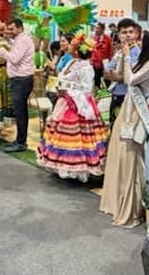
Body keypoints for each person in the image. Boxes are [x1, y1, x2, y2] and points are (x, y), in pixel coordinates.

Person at [99, 32, 149, 227]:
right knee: (118, 154)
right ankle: (117, 203)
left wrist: (127, 56)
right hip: (127, 108)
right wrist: (120, 55)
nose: (134, 42)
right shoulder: (143, 60)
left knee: (130, 159)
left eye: (139, 40)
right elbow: (119, 74)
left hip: (135, 112)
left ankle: (131, 209)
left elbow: (129, 80)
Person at [36, 36, 108, 182]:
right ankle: (62, 167)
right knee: (60, 135)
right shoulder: (73, 62)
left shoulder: (86, 67)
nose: (67, 46)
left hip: (77, 105)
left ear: (77, 49)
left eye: (71, 44)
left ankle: (76, 169)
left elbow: (87, 89)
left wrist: (68, 92)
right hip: (65, 103)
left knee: (77, 138)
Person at [0, 18, 35, 153]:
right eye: (8, 29)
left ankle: (21, 142)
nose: (9, 31)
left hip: (22, 80)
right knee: (19, 111)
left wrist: (2, 51)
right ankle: (20, 139)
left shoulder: (24, 40)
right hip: (19, 80)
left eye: (12, 29)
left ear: (20, 28)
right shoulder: (20, 40)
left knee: (20, 112)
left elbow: (14, 58)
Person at [104, 18, 141, 122]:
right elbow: (107, 71)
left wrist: (117, 76)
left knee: (124, 129)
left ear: (135, 34)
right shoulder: (119, 52)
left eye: (130, 32)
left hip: (129, 96)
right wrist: (116, 76)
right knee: (113, 125)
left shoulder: (137, 52)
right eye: (124, 32)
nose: (128, 35)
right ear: (119, 35)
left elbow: (130, 75)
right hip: (116, 94)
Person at [91, 22, 112, 89]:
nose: (96, 30)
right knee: (96, 79)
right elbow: (90, 50)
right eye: (95, 28)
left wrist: (110, 62)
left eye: (98, 28)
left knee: (107, 79)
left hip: (105, 62)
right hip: (95, 62)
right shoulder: (93, 38)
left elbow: (110, 51)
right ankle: (97, 94)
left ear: (102, 29)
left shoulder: (107, 39)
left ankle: (109, 92)